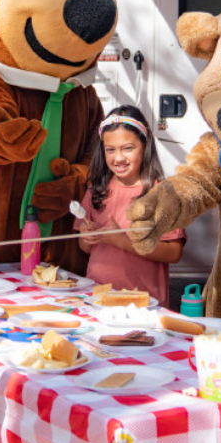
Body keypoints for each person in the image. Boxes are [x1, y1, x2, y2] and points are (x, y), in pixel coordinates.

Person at [74, 106, 185, 307]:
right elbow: (86, 250)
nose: (118, 158)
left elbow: (174, 253)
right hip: (98, 300)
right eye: (110, 149)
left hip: (144, 306)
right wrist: (86, 237)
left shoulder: (161, 195)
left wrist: (122, 241)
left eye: (128, 148)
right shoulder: (96, 190)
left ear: (144, 145)